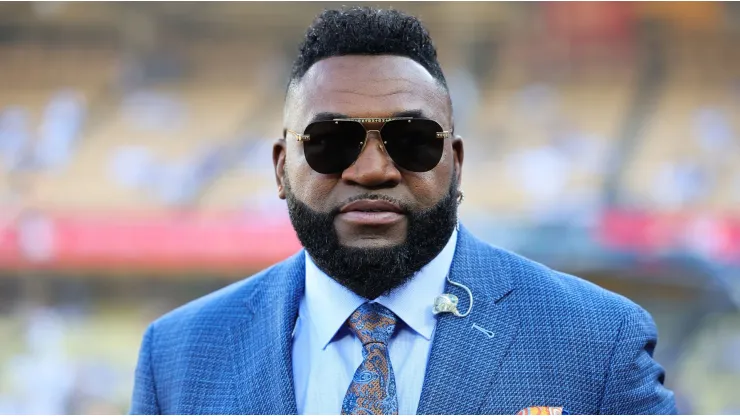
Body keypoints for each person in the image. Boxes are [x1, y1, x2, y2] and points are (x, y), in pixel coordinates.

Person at [130, 7, 677, 415]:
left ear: (456, 163)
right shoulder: (176, 358)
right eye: (329, 142)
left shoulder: (596, 343)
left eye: (413, 140)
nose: (372, 170)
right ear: (280, 168)